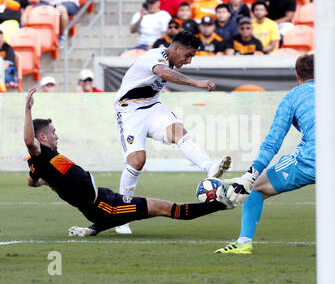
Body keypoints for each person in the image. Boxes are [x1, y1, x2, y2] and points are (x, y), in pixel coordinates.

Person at [214, 54, 335, 254]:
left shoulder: (293, 96)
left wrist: (251, 175)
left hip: (314, 161)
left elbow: (273, 141)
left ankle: (243, 242)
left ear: (298, 76)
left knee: (256, 188)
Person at [23, 89, 234, 238]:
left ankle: (94, 229)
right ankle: (221, 203)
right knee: (164, 208)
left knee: (135, 210)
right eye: (52, 133)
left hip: (104, 197)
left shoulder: (39, 163)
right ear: (41, 138)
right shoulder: (41, 154)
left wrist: (49, 181)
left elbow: (32, 182)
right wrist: (27, 110)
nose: (56, 136)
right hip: (103, 206)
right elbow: (28, 141)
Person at [113, 30, 232, 234]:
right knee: (137, 161)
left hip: (152, 107)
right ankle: (121, 216)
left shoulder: (169, 59)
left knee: (179, 131)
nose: (189, 61)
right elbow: (164, 73)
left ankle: (209, 167)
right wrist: (196, 83)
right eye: (188, 55)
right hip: (129, 112)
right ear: (175, 48)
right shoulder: (155, 57)